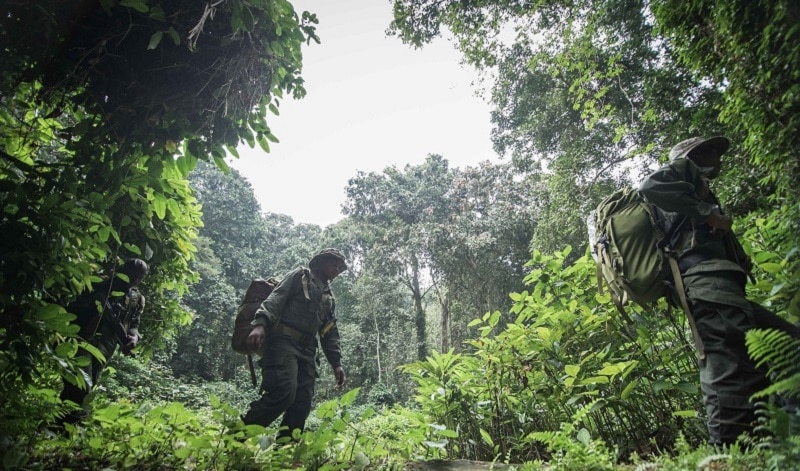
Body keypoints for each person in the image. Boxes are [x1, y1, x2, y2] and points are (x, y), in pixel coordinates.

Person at [639, 136, 800, 445]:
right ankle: (725, 455)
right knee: (731, 367)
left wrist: (739, 257)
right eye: (710, 151)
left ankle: (785, 438)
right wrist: (707, 212)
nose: (717, 157)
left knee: (786, 346)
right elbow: (650, 186)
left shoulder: (698, 190)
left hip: (723, 286)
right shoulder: (682, 170)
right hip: (707, 285)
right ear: (694, 155)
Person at [242, 248, 348, 439]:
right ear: (321, 262)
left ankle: (286, 451)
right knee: (284, 391)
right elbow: (276, 299)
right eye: (334, 263)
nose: (337, 269)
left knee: (302, 402)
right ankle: (238, 435)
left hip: (308, 351)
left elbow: (329, 332)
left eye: (340, 267)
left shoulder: (328, 297)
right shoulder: (300, 276)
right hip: (283, 343)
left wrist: (336, 363)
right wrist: (260, 325)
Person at [59, 258, 149, 423]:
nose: (134, 280)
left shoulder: (136, 299)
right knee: (80, 383)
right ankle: (70, 424)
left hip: (106, 346)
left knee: (89, 383)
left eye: (139, 277)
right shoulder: (101, 283)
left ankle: (65, 425)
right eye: (132, 274)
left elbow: (134, 323)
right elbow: (72, 306)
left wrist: (133, 336)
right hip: (82, 338)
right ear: (123, 270)